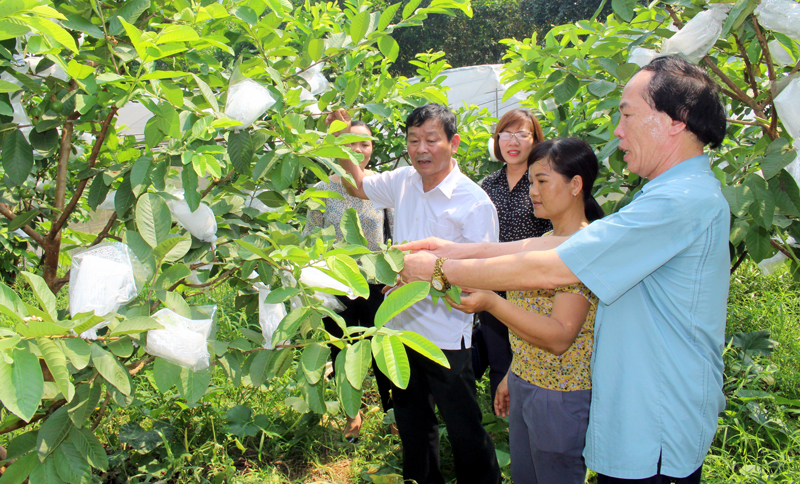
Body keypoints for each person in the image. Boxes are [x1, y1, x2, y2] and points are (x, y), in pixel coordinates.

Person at [397, 56, 730, 483]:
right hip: (638, 413)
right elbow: (552, 244)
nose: (618, 131)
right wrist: (458, 251)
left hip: (654, 421)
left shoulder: (679, 202)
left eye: (628, 115)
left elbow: (555, 267)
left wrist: (440, 269)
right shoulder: (667, 196)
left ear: (676, 120)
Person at [334, 103, 502, 484]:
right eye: (413, 140)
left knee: (465, 431)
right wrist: (342, 141)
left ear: (453, 143)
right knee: (413, 428)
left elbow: (483, 279)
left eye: (431, 140)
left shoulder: (473, 203)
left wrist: (426, 279)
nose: (421, 149)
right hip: (400, 332)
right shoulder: (403, 181)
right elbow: (356, 185)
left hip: (447, 337)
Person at [451, 138, 603, 484]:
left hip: (560, 396)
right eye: (531, 182)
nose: (532, 191)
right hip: (528, 383)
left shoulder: (582, 249)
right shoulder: (548, 239)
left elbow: (560, 336)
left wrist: (491, 301)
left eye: (542, 181)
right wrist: (513, 373)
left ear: (575, 185)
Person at [303, 120, 393, 442]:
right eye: (350, 142)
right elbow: (310, 234)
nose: (358, 149)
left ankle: (392, 412)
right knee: (342, 349)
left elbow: (394, 236)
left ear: (372, 148)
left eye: (365, 143)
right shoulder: (324, 187)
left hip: (375, 282)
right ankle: (352, 416)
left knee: (382, 346)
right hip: (335, 283)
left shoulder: (382, 186)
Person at [474, 108, 552, 401]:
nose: (513, 141)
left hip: (533, 286)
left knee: (531, 354)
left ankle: (532, 412)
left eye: (522, 134)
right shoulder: (487, 185)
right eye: (506, 134)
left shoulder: (544, 180)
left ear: (535, 140)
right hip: (493, 282)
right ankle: (504, 421)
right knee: (499, 358)